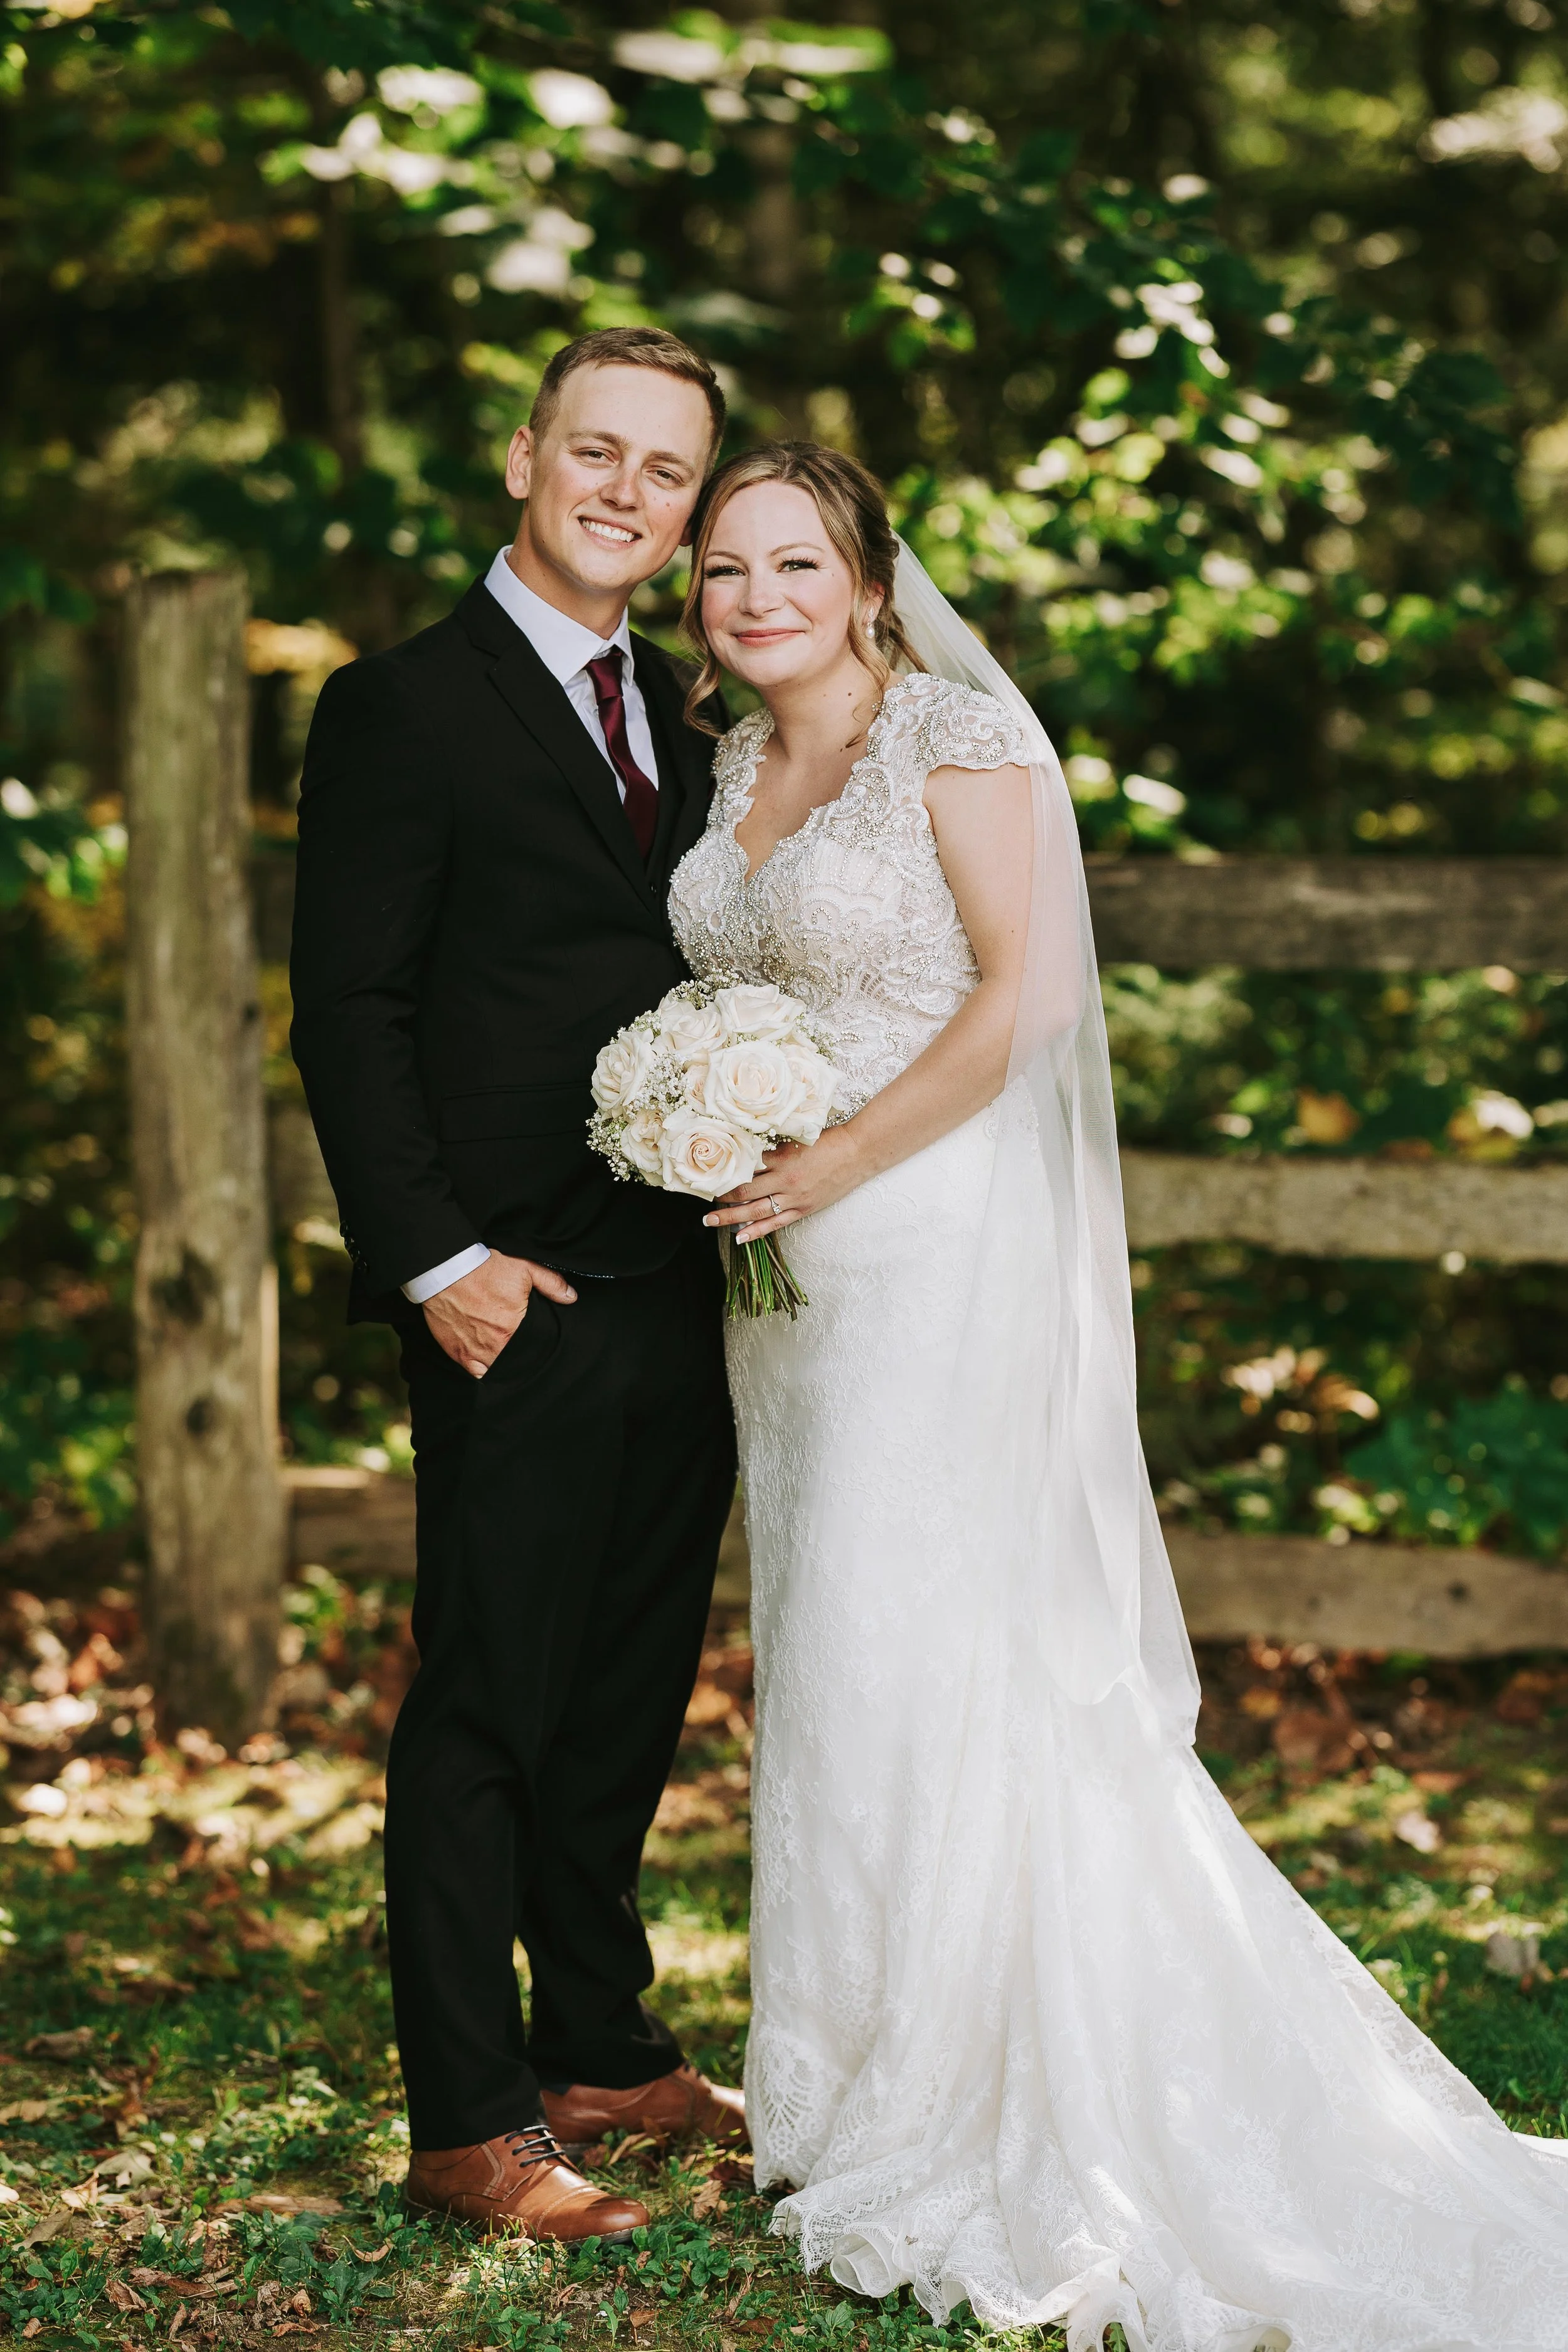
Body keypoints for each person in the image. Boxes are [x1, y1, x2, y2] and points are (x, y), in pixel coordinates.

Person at [668, 440, 1568, 2349]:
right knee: (836, 1645)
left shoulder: (952, 738)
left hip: (923, 1242)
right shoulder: (740, 762)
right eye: (724, 568)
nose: (755, 596)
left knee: (940, 1646)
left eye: (793, 562)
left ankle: (991, 2092)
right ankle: (844, 2083)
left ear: (866, 577)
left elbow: (1025, 1003)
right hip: (785, 1284)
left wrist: (824, 1159)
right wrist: (712, 1109)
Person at [289, 327, 746, 2246]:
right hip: (508, 1282)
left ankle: (599, 2040)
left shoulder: (699, 726)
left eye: (667, 473)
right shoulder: (402, 706)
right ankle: (467, 2118)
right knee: (486, 1691)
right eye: (597, 451)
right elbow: (351, 1006)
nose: (626, 492)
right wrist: (435, 1261)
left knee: (629, 1679)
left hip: (683, 1272)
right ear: (521, 456)